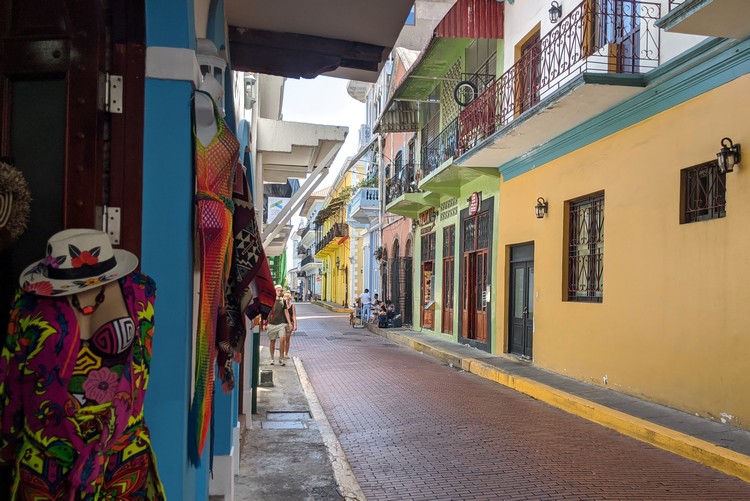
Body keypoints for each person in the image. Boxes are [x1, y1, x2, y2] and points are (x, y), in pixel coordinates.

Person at [0, 228, 165, 499]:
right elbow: (11, 377)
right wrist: (5, 444)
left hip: (122, 460)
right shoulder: (28, 303)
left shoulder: (141, 290)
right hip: (47, 462)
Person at [263, 285, 291, 366]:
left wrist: (289, 323)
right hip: (271, 324)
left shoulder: (284, 301)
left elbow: (286, 312)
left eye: (281, 290)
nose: (280, 292)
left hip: (282, 324)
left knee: (282, 340)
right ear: (275, 291)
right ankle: (272, 358)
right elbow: (266, 312)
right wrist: (264, 323)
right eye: (278, 290)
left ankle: (281, 358)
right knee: (272, 341)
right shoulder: (270, 301)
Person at [282, 291, 298, 359]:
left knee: (287, 339)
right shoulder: (282, 305)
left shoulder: (292, 306)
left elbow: (294, 316)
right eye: (286, 299)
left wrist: (295, 325)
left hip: (290, 324)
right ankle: (281, 353)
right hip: (282, 323)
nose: (287, 300)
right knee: (282, 339)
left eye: (289, 299)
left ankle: (286, 353)